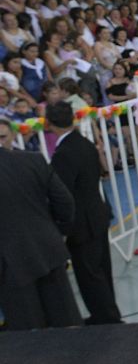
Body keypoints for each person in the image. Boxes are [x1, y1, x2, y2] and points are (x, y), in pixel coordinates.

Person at [0, 119, 81, 330]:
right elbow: (65, 202)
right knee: (67, 322)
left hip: (9, 264)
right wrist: (59, 232)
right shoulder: (33, 160)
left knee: (29, 334)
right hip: (48, 249)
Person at [47, 101, 123, 324]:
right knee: (102, 269)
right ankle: (109, 313)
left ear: (49, 124)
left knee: (90, 275)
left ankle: (106, 318)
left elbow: (63, 194)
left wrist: (61, 227)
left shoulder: (63, 154)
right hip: (97, 214)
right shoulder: (85, 143)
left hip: (81, 223)